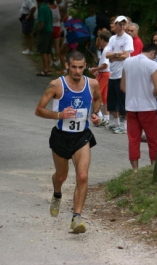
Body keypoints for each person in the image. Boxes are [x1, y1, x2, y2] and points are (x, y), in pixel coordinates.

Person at [34, 51, 102, 233]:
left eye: (81, 67)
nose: (77, 71)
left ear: (85, 66)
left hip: (82, 136)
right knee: (61, 176)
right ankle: (57, 193)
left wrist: (96, 114)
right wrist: (59, 115)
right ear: (67, 66)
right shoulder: (56, 85)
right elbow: (39, 110)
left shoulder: (93, 83)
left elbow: (98, 100)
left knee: (82, 176)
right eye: (74, 67)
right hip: (61, 136)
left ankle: (76, 218)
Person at [121, 43, 157, 171]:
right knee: (153, 138)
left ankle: (135, 169)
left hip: (131, 106)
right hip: (148, 107)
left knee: (133, 139)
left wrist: (133, 93)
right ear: (153, 53)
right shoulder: (152, 65)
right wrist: (153, 94)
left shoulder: (127, 62)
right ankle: (153, 165)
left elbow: (122, 86)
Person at [105, 15, 134, 134]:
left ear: (126, 26)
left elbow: (126, 55)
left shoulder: (128, 38)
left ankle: (125, 125)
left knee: (123, 100)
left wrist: (114, 55)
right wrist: (118, 54)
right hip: (113, 72)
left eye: (123, 24)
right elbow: (107, 55)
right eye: (119, 24)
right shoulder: (112, 39)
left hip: (123, 73)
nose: (121, 26)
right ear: (116, 25)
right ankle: (116, 122)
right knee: (112, 99)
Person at [90, 30, 111, 127]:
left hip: (104, 74)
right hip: (108, 74)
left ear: (102, 40)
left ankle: (98, 115)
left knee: (95, 94)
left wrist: (95, 69)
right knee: (104, 96)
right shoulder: (110, 48)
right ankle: (106, 117)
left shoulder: (106, 50)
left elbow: (105, 65)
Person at [35, 0, 53, 77]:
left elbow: (41, 22)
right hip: (50, 30)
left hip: (45, 31)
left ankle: (45, 69)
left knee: (43, 51)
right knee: (48, 51)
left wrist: (38, 30)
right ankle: (48, 69)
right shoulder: (48, 8)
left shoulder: (41, 8)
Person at [48, 0, 61, 65]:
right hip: (57, 27)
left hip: (50, 27)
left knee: (49, 45)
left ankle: (50, 60)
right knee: (57, 45)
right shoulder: (58, 7)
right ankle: (57, 59)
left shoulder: (48, 8)